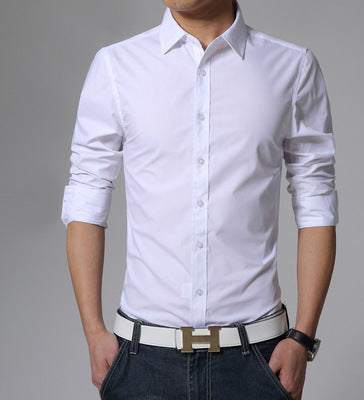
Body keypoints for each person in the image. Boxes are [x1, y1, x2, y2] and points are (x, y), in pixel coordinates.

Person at [61, 0, 338, 399]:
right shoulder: (116, 67)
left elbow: (316, 202)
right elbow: (86, 197)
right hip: (142, 362)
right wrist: (93, 332)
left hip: (258, 361)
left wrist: (302, 338)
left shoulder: (292, 68)